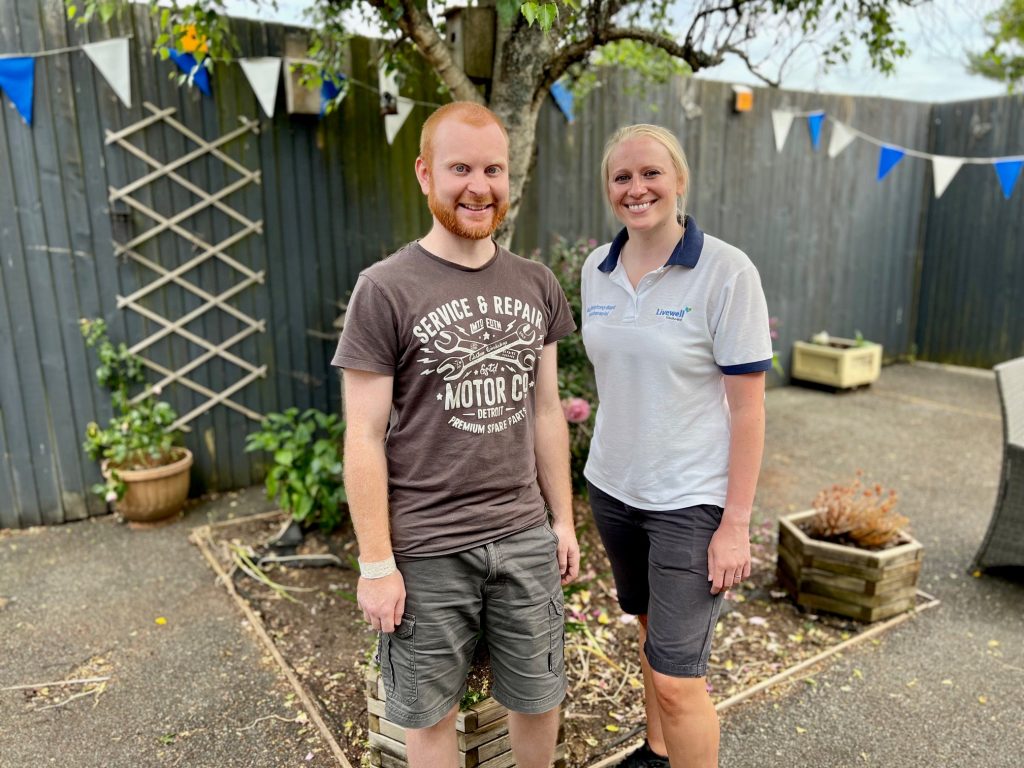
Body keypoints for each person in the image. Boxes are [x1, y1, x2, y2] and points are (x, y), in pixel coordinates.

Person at [333, 101, 579, 768]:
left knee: (538, 696)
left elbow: (547, 410)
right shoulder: (384, 289)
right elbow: (362, 435)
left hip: (524, 533)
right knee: (430, 716)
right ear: (425, 174)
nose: (479, 186)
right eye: (461, 167)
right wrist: (376, 561)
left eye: (493, 169)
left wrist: (563, 521)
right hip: (427, 547)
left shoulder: (536, 284)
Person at [580, 124, 772, 768]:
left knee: (678, 676)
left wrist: (735, 524)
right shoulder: (596, 271)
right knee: (645, 629)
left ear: (680, 180)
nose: (637, 188)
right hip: (613, 488)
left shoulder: (725, 271)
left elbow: (748, 410)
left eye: (651, 173)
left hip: (689, 500)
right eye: (621, 177)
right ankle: (656, 751)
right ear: (609, 189)